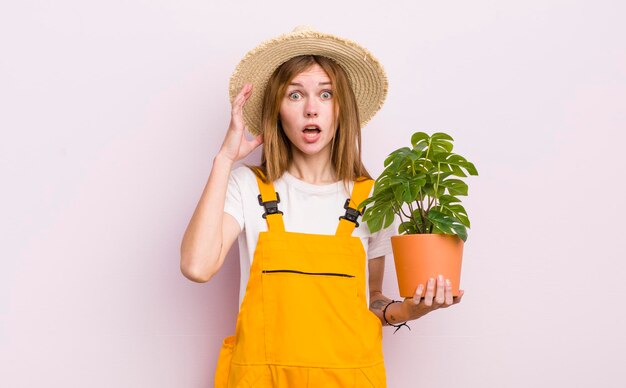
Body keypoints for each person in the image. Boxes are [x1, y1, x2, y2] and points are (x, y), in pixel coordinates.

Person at [180, 26, 464, 388]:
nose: (311, 109)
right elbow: (196, 266)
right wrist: (224, 159)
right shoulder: (247, 187)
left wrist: (413, 308)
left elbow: (372, 301)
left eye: (325, 95)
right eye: (295, 95)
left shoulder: (373, 198)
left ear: (341, 108)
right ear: (277, 111)